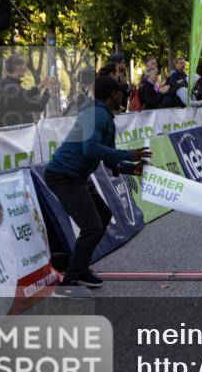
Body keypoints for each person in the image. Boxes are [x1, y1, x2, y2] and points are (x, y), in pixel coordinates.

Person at [43, 76, 150, 297]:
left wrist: (131, 168)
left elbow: (108, 159)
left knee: (101, 217)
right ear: (114, 95)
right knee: (92, 226)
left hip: (77, 176)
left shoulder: (104, 115)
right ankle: (69, 281)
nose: (124, 95)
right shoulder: (96, 114)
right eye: (122, 92)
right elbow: (90, 150)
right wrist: (128, 153)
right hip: (63, 176)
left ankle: (80, 269)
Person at [0, 54, 58, 127]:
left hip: (2, 133)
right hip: (17, 134)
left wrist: (40, 86)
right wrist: (48, 88)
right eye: (25, 66)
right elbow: (39, 105)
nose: (26, 69)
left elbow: (24, 96)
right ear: (18, 68)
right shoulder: (15, 90)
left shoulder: (2, 83)